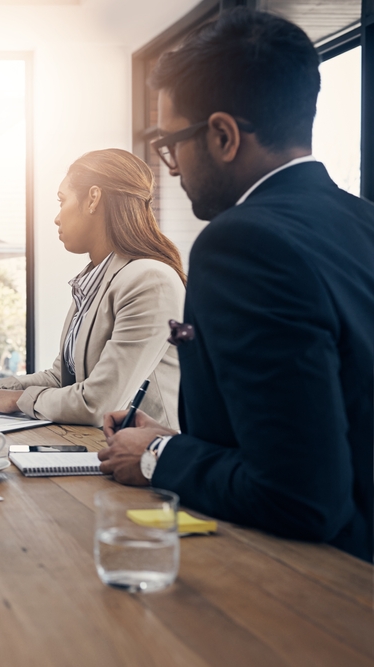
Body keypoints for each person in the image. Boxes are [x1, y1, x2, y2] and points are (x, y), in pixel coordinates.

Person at [98, 9, 374, 562]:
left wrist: (156, 457)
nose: (171, 167)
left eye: (172, 144)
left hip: (317, 589)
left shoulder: (244, 243)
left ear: (222, 135)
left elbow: (299, 495)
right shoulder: (361, 220)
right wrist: (178, 441)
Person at [0, 149, 185, 428]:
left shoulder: (149, 280)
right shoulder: (94, 280)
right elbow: (61, 378)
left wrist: (16, 400)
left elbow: (99, 403)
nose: (57, 218)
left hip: (148, 462)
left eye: (62, 201)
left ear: (93, 199)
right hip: (100, 447)